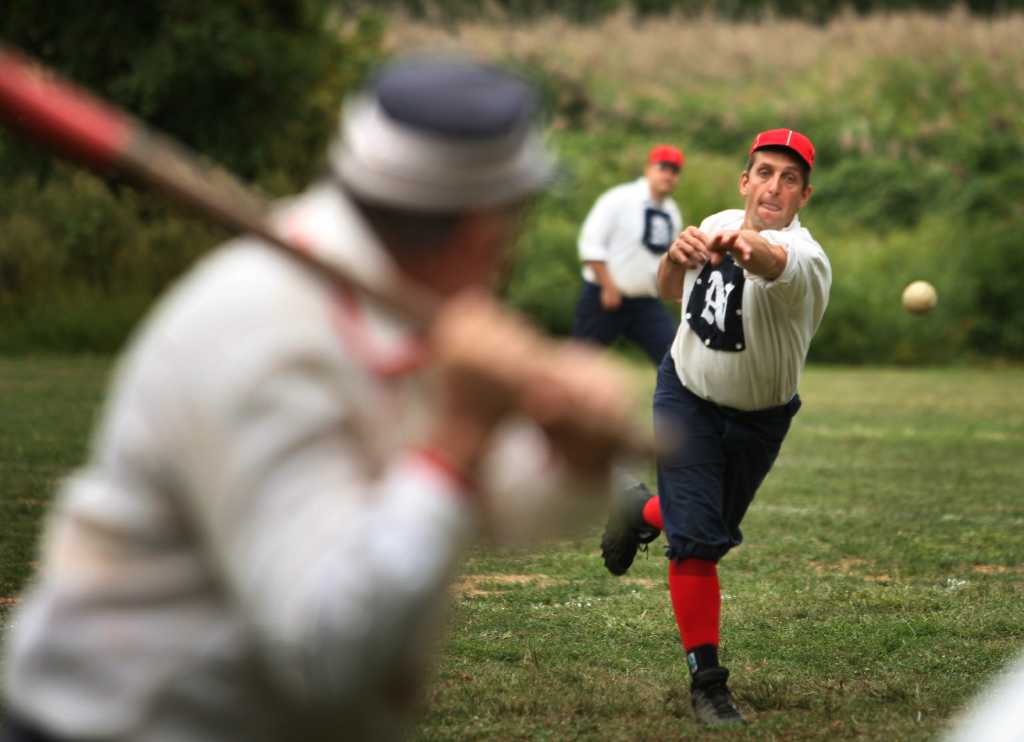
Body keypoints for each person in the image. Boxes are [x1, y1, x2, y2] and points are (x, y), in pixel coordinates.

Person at [0, 57, 640, 742]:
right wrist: (457, 436)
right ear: (485, 228)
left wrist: (570, 459)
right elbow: (322, 646)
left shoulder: (408, 300)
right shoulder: (261, 333)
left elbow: (493, 506)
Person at [599, 129, 832, 727]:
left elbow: (769, 259)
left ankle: (638, 510)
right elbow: (672, 293)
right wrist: (674, 260)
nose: (773, 186)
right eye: (763, 172)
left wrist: (743, 244)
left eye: (788, 178)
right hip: (686, 397)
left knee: (709, 527)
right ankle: (708, 681)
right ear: (744, 180)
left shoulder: (807, 259)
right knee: (698, 545)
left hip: (760, 421)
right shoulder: (715, 220)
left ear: (804, 194)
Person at [571, 143, 685, 365]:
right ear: (649, 169)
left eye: (675, 171)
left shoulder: (671, 211)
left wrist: (679, 290)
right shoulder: (619, 199)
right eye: (663, 168)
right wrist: (608, 286)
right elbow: (591, 245)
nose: (668, 175)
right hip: (604, 296)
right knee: (580, 363)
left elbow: (672, 256)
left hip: (646, 301)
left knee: (674, 359)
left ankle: (673, 400)